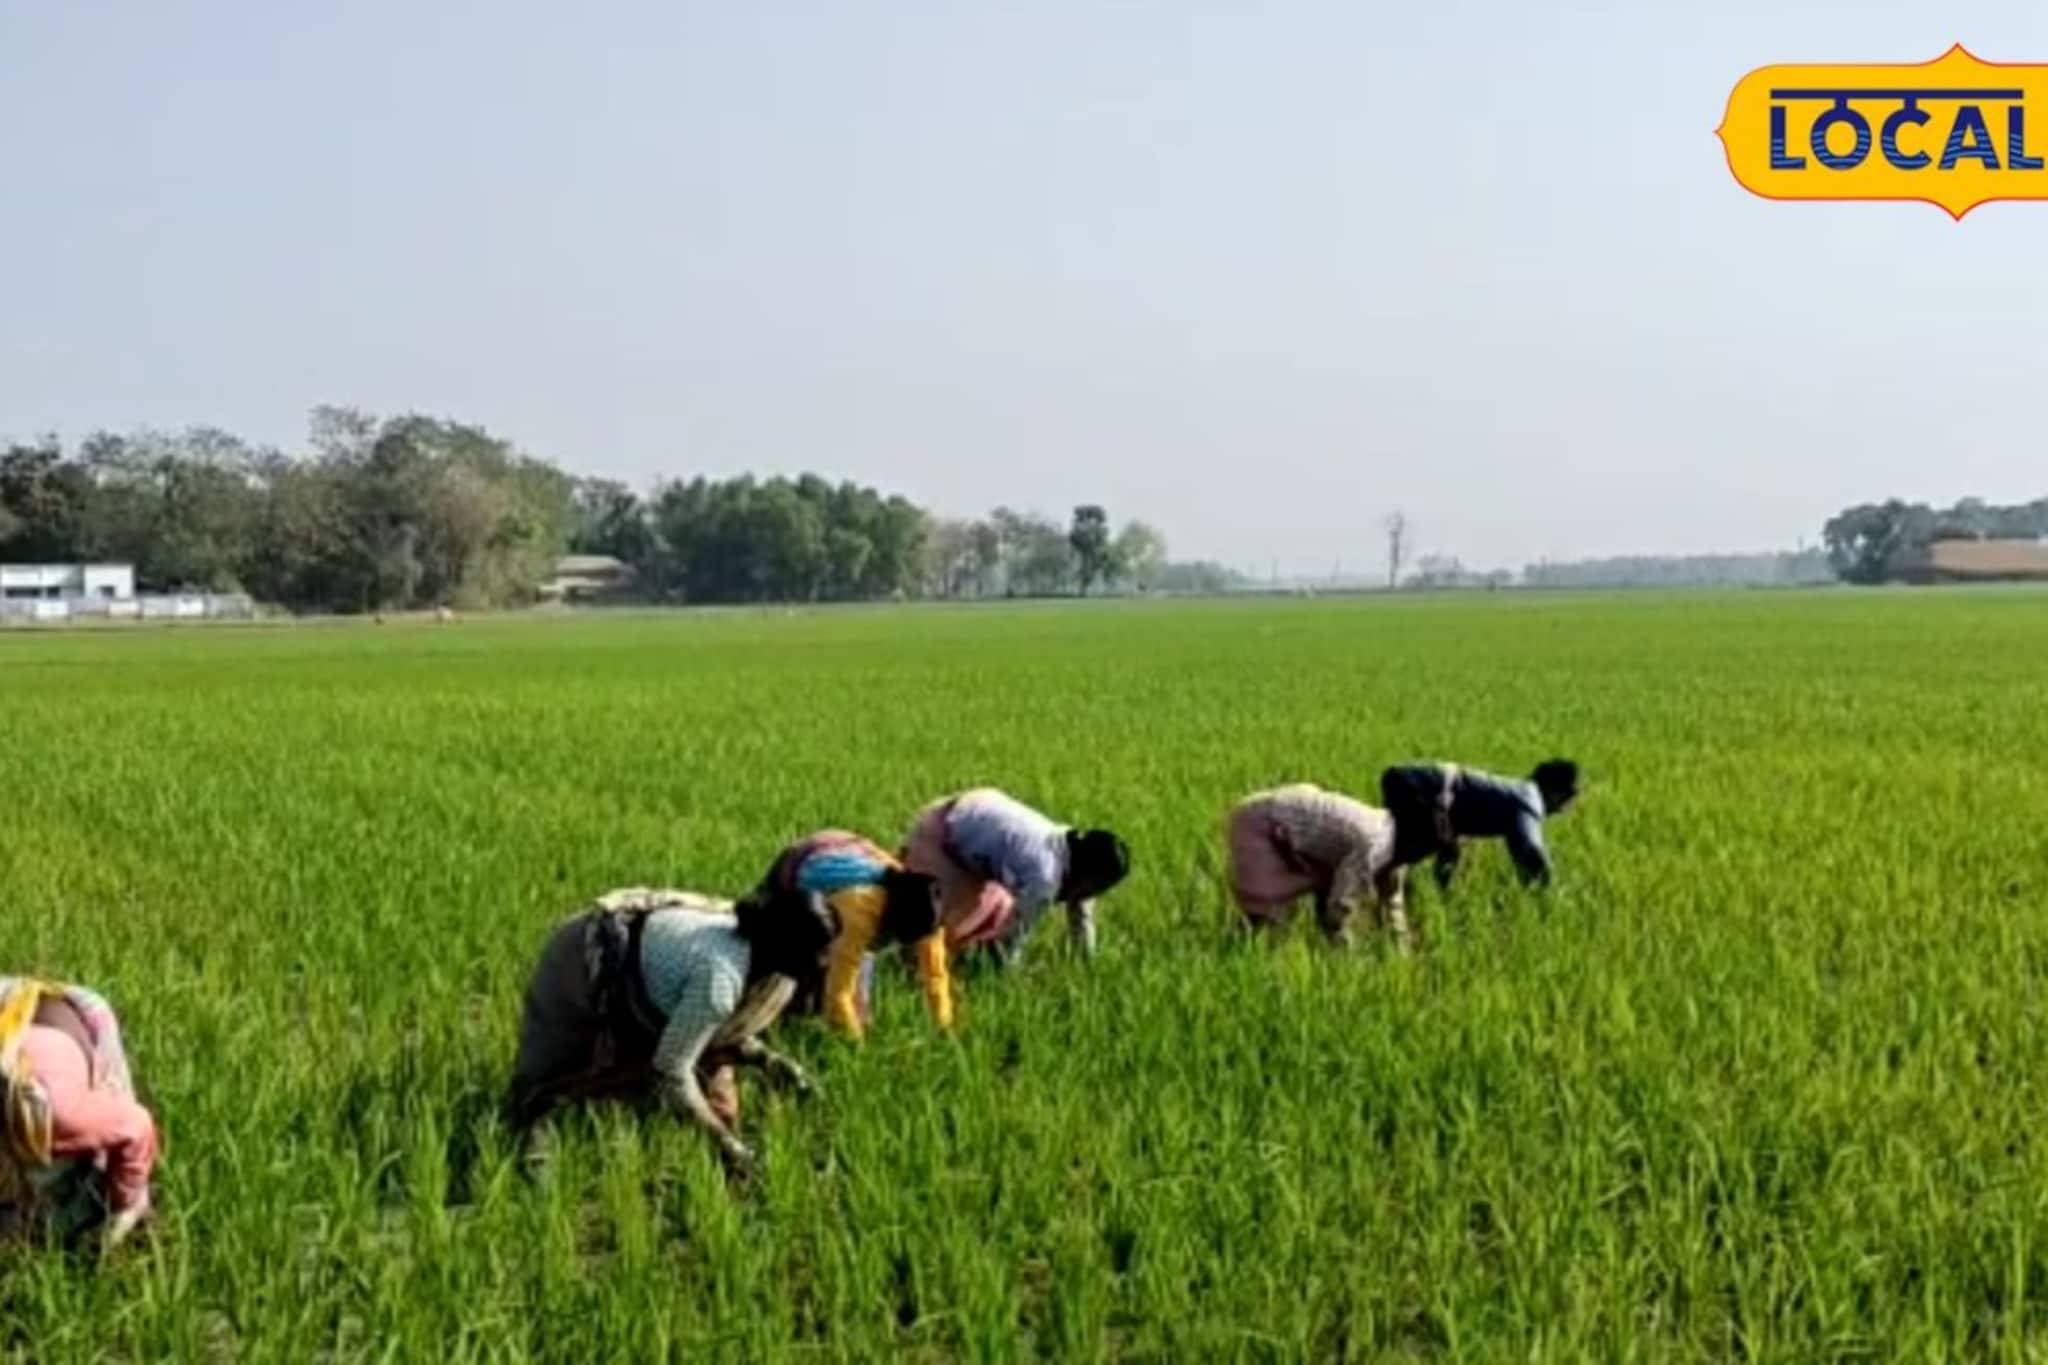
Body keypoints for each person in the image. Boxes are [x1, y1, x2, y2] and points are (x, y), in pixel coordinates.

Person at [503, 887, 829, 1174]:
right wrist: (726, 1143)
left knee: (719, 1105)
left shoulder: (771, 971)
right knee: (566, 1079)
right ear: (786, 946)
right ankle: (533, 1154)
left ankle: (719, 1174)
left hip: (658, 974)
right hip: (586, 958)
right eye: (817, 951)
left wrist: (768, 1060)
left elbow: (726, 1029)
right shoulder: (719, 979)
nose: (825, 961)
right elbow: (670, 1070)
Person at [0, 976, 159, 1249]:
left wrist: (123, 1201)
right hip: (14, 1009)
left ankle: (136, 1220)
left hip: (79, 1019)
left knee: (103, 1174)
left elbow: (137, 1126)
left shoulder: (58, 1114)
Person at [751, 830, 947, 1041]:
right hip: (801, 863)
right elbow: (838, 992)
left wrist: (943, 1030)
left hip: (852, 851)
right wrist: (855, 1046)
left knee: (859, 1006)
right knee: (782, 967)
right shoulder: (859, 912)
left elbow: (935, 977)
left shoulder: (925, 908)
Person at [902, 788, 1131, 965]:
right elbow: (1010, 944)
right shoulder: (1044, 877)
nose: (1094, 893)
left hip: (972, 808)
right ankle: (905, 965)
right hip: (940, 835)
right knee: (942, 933)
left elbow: (1082, 919)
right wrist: (1009, 982)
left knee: (998, 909)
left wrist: (1087, 964)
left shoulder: (1071, 849)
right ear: (1090, 877)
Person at [1224, 783, 1408, 948]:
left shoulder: (1395, 841)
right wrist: (1343, 952)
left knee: (1325, 891)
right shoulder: (1374, 844)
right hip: (1262, 822)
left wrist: (1401, 946)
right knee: (1266, 918)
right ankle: (1237, 952)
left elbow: (1392, 899)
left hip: (1297, 828)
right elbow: (1341, 903)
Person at [1377, 759, 1580, 896]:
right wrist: (1551, 889)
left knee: (1447, 849)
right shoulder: (1529, 798)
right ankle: (1377, 887)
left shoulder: (1519, 794)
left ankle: (1436, 898)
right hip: (1421, 788)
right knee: (1410, 850)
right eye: (1564, 803)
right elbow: (1532, 848)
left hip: (1413, 783)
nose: (1560, 811)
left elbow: (1520, 852)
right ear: (1556, 793)